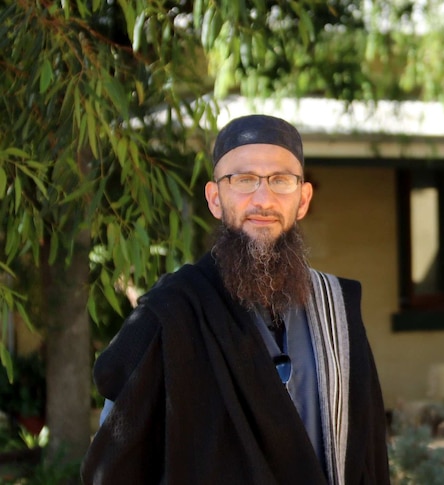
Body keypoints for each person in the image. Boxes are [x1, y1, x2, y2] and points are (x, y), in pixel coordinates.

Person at [81, 114, 390, 485]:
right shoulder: (173, 312)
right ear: (215, 198)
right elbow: (116, 463)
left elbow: (366, 457)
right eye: (243, 180)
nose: (263, 199)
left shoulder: (337, 309)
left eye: (281, 180)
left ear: (303, 199)